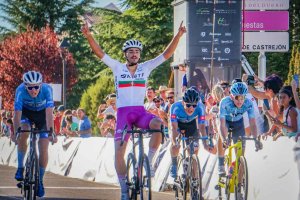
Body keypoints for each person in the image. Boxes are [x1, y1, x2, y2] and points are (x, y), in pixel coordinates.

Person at [82, 19, 186, 199]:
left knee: (158, 124)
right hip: (123, 115)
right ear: (125, 54)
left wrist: (179, 35)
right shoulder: (117, 67)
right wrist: (89, 36)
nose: (134, 54)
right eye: (131, 52)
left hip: (139, 112)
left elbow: (166, 54)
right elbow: (99, 53)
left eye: (137, 52)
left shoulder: (145, 68)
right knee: (119, 152)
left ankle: (149, 163)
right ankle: (123, 189)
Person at [12, 71, 56, 197]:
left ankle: (40, 181)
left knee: (44, 146)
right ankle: (20, 168)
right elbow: (17, 113)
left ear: (40, 85)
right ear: (25, 86)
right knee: (23, 133)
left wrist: (51, 132)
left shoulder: (47, 89)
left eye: (36, 86)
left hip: (42, 115)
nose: (33, 90)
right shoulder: (20, 90)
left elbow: (49, 113)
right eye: (30, 87)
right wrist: (16, 132)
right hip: (26, 114)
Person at [218, 82, 263, 176]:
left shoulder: (248, 103)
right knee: (222, 136)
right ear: (231, 96)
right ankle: (221, 163)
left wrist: (255, 139)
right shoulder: (224, 102)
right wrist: (224, 139)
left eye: (242, 97)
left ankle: (238, 183)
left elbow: (253, 124)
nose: (240, 101)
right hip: (226, 121)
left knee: (240, 155)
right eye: (237, 97)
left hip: (238, 123)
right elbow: (222, 125)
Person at [169, 88, 214, 179]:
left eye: (194, 105)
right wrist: (175, 142)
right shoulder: (175, 107)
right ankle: (174, 164)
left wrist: (205, 143)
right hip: (178, 124)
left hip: (191, 124)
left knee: (194, 150)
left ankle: (194, 179)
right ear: (183, 102)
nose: (191, 108)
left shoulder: (200, 107)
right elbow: (174, 128)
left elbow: (201, 127)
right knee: (175, 146)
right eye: (188, 105)